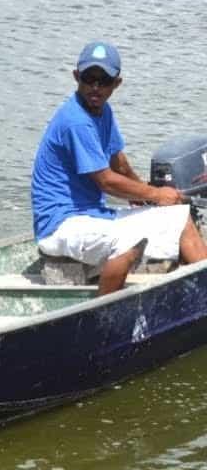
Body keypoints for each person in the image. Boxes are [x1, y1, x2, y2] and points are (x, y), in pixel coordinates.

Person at [31, 41, 207, 295]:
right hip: (61, 224)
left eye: (103, 81)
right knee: (127, 244)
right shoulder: (75, 121)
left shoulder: (103, 112)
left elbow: (120, 165)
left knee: (179, 218)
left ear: (117, 83)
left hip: (93, 214)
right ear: (76, 77)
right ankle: (101, 319)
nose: (95, 87)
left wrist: (145, 196)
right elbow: (107, 181)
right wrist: (157, 195)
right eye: (89, 78)